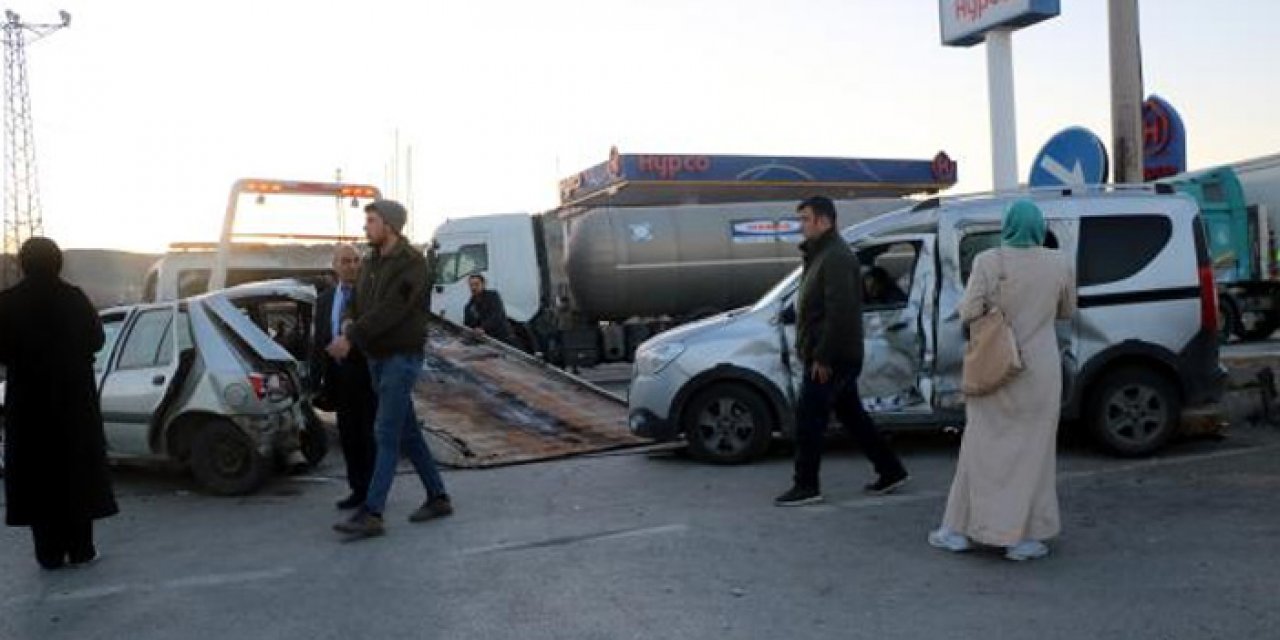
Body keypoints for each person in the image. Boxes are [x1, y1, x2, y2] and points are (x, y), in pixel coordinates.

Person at [929, 199, 1076, 562]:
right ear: (1039, 228)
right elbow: (1066, 311)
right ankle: (1021, 539)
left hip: (994, 368)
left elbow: (968, 312)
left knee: (979, 449)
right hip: (1039, 371)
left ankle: (957, 530)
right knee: (1033, 454)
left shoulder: (987, 261)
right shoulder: (1059, 263)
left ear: (1007, 225)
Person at [328, 200, 453, 538]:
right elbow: (356, 301)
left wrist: (351, 335)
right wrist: (349, 320)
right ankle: (438, 496)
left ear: (391, 226)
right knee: (408, 434)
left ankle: (372, 512)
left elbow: (392, 310)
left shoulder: (412, 266)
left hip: (401, 358)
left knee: (384, 433)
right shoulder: (371, 262)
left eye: (371, 221)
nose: (366, 227)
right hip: (377, 359)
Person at [775, 196, 910, 507]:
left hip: (832, 356)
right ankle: (891, 470)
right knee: (852, 415)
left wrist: (822, 356)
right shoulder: (821, 255)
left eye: (806, 219)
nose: (802, 226)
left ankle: (806, 485)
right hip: (832, 353)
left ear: (825, 221)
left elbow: (841, 312)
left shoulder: (835, 257)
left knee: (810, 420)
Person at [0, 237, 118, 569]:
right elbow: (97, 338)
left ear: (22, 264)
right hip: (73, 402)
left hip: (28, 404)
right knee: (76, 470)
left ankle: (48, 553)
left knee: (37, 475)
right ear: (58, 262)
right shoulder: (74, 298)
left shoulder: (7, 302)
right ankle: (82, 548)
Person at [311, 244, 377, 511]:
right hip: (338, 379)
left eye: (355, 260)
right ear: (335, 266)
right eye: (345, 261)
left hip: (366, 377)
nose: (351, 265)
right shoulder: (325, 300)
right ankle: (357, 489)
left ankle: (373, 491)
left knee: (368, 436)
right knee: (348, 436)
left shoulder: (370, 297)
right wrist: (316, 379)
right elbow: (319, 342)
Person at [463, 273, 515, 346]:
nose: (473, 287)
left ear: (484, 284)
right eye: (471, 285)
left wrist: (482, 328)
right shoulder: (469, 306)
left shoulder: (493, 296)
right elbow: (467, 324)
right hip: (485, 342)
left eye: (476, 284)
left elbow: (497, 316)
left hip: (501, 338)